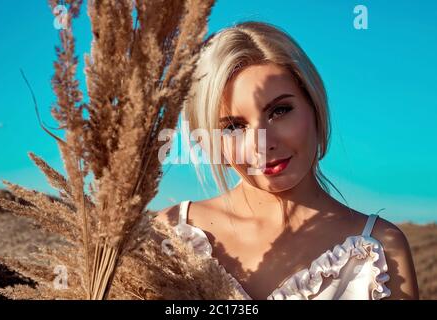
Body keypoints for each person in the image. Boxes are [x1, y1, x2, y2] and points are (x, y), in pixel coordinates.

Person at [155, 21, 419, 300]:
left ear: (314, 106)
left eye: (279, 111)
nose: (264, 143)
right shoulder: (171, 233)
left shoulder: (378, 250)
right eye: (234, 126)